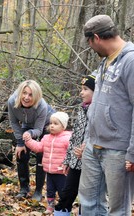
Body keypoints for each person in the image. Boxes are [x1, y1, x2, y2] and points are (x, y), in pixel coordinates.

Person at [79, 14, 134, 216]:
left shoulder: (130, 61)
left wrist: (133, 152)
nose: (91, 47)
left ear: (96, 37)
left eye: (90, 42)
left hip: (118, 150)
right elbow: (96, 106)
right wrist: (87, 139)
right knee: (89, 202)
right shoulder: (105, 63)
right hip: (94, 146)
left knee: (118, 209)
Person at [53, 74, 95, 216]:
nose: (81, 92)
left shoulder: (97, 111)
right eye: (81, 89)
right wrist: (68, 160)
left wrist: (88, 149)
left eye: (85, 89)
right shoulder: (81, 110)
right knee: (67, 194)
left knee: (87, 198)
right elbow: (74, 138)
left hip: (91, 162)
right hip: (76, 163)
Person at [8, 80, 55, 201]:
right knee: (21, 153)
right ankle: (24, 188)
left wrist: (29, 134)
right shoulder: (12, 102)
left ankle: (38, 191)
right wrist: (20, 142)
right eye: (24, 93)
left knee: (41, 154)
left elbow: (38, 130)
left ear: (36, 96)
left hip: (46, 124)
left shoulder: (42, 106)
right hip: (27, 124)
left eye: (30, 95)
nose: (26, 97)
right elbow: (14, 122)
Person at [24, 111, 71, 215]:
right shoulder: (46, 138)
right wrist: (28, 141)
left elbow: (71, 152)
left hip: (61, 172)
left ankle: (64, 207)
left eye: (56, 123)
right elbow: (38, 147)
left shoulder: (67, 138)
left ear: (63, 126)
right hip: (49, 171)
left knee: (62, 191)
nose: (52, 126)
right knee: (50, 190)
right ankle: (50, 205)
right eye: (51, 123)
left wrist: (68, 164)